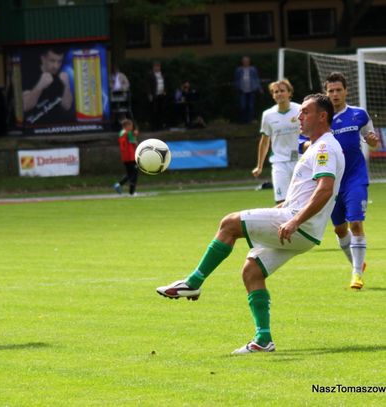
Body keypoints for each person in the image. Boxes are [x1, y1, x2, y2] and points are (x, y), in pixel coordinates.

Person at [156, 94, 345, 354]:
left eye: (305, 113)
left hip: (299, 225)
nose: (298, 117)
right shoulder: (316, 147)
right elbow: (306, 192)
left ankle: (193, 281)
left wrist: (294, 220)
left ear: (322, 116)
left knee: (229, 223)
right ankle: (263, 340)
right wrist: (283, 211)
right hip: (305, 231)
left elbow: (325, 190)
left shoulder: (324, 147)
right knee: (252, 271)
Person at [323, 72, 379, 289]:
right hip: (331, 181)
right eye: (331, 91)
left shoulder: (359, 114)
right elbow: (302, 144)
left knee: (356, 223)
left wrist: (372, 141)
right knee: (339, 229)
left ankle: (356, 274)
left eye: (338, 90)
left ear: (346, 91)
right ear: (326, 93)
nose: (335, 94)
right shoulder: (321, 117)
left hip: (355, 177)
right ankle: (358, 263)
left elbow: (371, 140)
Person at [252, 79, 301, 204]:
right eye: (276, 92)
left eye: (282, 91)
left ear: (289, 93)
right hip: (279, 162)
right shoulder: (268, 115)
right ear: (273, 95)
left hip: (301, 161)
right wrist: (259, 166)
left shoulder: (300, 110)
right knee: (281, 202)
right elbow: (264, 141)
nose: (279, 94)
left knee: (301, 200)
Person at [22, 47, 73, 125]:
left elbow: (67, 106)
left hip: (58, 128)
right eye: (52, 61)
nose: (56, 66)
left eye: (59, 61)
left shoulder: (60, 76)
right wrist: (40, 86)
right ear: (43, 59)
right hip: (34, 129)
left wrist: (67, 85)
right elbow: (25, 106)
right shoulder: (30, 74)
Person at [113, 119, 139, 196]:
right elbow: (134, 142)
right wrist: (135, 135)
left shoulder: (121, 133)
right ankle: (132, 192)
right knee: (134, 173)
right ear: (126, 126)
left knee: (130, 173)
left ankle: (118, 184)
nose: (131, 127)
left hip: (125, 157)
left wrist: (134, 135)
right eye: (130, 125)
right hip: (131, 157)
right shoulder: (128, 133)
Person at [234, 56, 263, 124]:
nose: (246, 62)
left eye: (247, 61)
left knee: (251, 106)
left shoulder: (253, 69)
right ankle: (243, 120)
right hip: (242, 90)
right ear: (242, 62)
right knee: (242, 106)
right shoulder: (239, 70)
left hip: (251, 90)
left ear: (249, 62)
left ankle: (250, 120)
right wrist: (237, 87)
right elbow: (236, 79)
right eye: (244, 61)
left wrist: (259, 88)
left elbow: (256, 79)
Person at [147, 61, 166, 131]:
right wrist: (149, 94)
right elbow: (148, 85)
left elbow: (165, 83)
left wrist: (165, 91)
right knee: (154, 111)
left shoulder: (162, 74)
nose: (157, 68)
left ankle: (160, 126)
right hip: (154, 95)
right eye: (156, 66)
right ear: (153, 67)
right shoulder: (150, 74)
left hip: (161, 95)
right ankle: (154, 127)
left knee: (161, 111)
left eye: (158, 66)